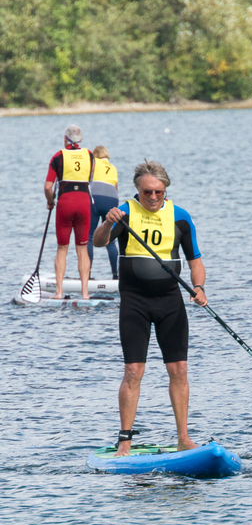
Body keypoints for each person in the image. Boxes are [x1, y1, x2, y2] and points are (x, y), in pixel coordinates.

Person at [92, 160, 208, 456]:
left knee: (179, 369)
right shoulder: (125, 213)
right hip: (135, 302)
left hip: (170, 301)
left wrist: (199, 288)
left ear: (165, 189)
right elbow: (98, 241)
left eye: (158, 192)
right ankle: (125, 441)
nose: (153, 198)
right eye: (147, 193)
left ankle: (184, 437)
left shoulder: (180, 217)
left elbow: (195, 260)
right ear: (138, 191)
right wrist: (107, 222)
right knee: (133, 370)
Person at [44, 124, 93, 300]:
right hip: (84, 203)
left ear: (65, 139)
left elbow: (48, 187)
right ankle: (85, 293)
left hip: (65, 203)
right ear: (80, 140)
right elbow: (90, 179)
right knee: (82, 249)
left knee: (62, 249)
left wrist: (50, 202)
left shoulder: (58, 156)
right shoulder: (89, 155)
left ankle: (59, 292)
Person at [87, 145, 119, 279]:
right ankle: (115, 275)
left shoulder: (92, 163)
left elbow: (86, 181)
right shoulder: (113, 167)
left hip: (95, 196)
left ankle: (87, 275)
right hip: (112, 198)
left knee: (88, 238)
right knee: (110, 240)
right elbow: (116, 187)